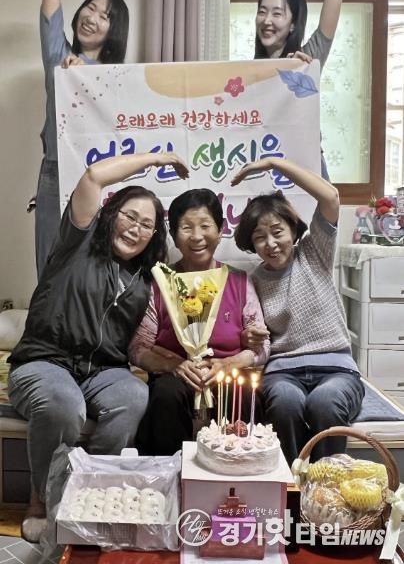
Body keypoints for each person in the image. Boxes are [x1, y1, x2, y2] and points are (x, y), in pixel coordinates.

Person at [8, 151, 188, 542]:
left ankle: (93, 491)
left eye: (147, 225)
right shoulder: (79, 240)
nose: (136, 229)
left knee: (134, 395)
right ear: (110, 214)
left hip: (103, 371)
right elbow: (92, 176)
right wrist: (159, 157)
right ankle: (42, 499)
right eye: (130, 216)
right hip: (44, 361)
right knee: (64, 403)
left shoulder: (146, 278)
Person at [232, 158, 364, 467]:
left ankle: (326, 483)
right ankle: (291, 483)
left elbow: (330, 197)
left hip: (336, 370)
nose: (270, 243)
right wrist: (250, 336)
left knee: (324, 403)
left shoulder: (314, 252)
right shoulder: (253, 280)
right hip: (283, 373)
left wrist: (272, 163)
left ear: (293, 230)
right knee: (284, 403)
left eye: (277, 231)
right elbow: (254, 336)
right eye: (259, 237)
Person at [130, 189, 270, 456]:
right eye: (186, 228)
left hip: (227, 375)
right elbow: (138, 348)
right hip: (175, 377)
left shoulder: (239, 282)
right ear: (174, 236)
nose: (196, 236)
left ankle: (238, 472)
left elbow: (262, 349)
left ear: (220, 230)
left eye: (205, 226)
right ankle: (170, 475)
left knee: (242, 394)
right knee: (166, 394)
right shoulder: (160, 283)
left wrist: (229, 363)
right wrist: (175, 366)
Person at [35, 0, 129, 278]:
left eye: (104, 16)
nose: (92, 17)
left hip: (98, 175)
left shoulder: (119, 78)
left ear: (114, 30)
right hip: (54, 171)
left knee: (92, 268)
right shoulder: (58, 58)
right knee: (50, 266)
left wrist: (85, 79)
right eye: (90, 7)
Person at [255, 0, 344, 179]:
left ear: (293, 24)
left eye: (277, 13)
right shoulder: (249, 73)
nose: (267, 20)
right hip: (264, 166)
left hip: (307, 166)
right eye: (262, 11)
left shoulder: (306, 60)